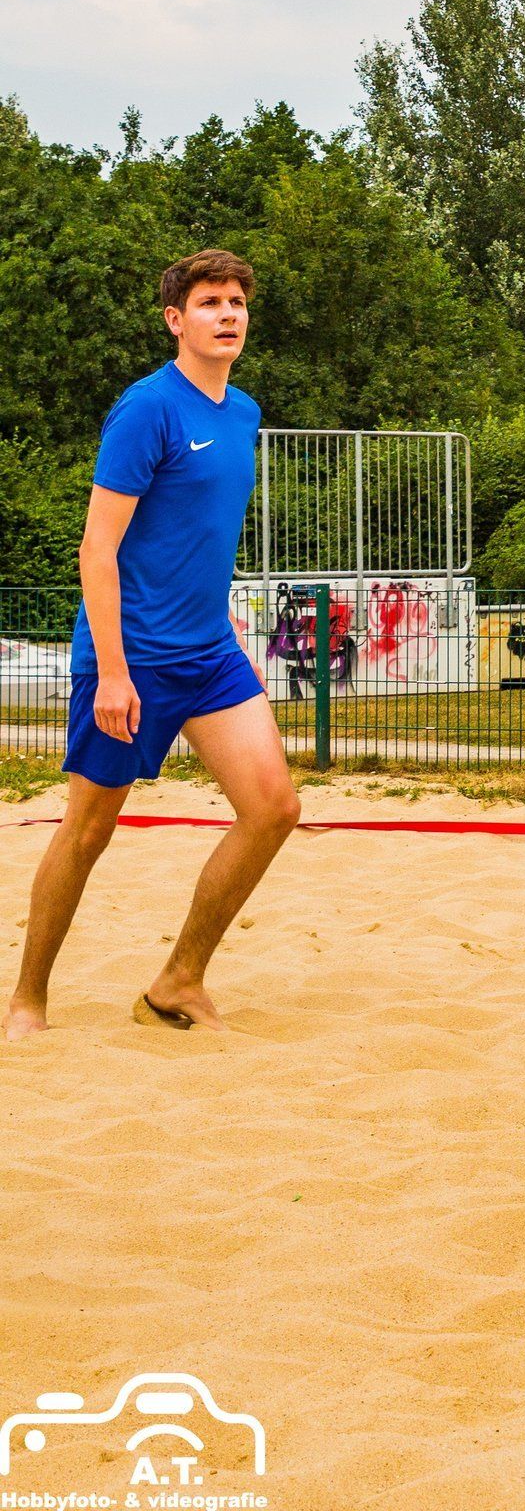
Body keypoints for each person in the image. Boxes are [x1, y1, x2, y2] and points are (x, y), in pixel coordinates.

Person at [5, 250, 300, 1041]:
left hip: (210, 655)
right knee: (88, 832)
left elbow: (197, 537)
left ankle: (179, 980)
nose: (228, 314)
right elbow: (97, 549)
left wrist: (223, 626)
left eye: (237, 301)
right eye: (209, 302)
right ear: (176, 320)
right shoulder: (147, 409)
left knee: (274, 809)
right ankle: (27, 1001)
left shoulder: (243, 412)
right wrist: (111, 672)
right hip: (131, 658)